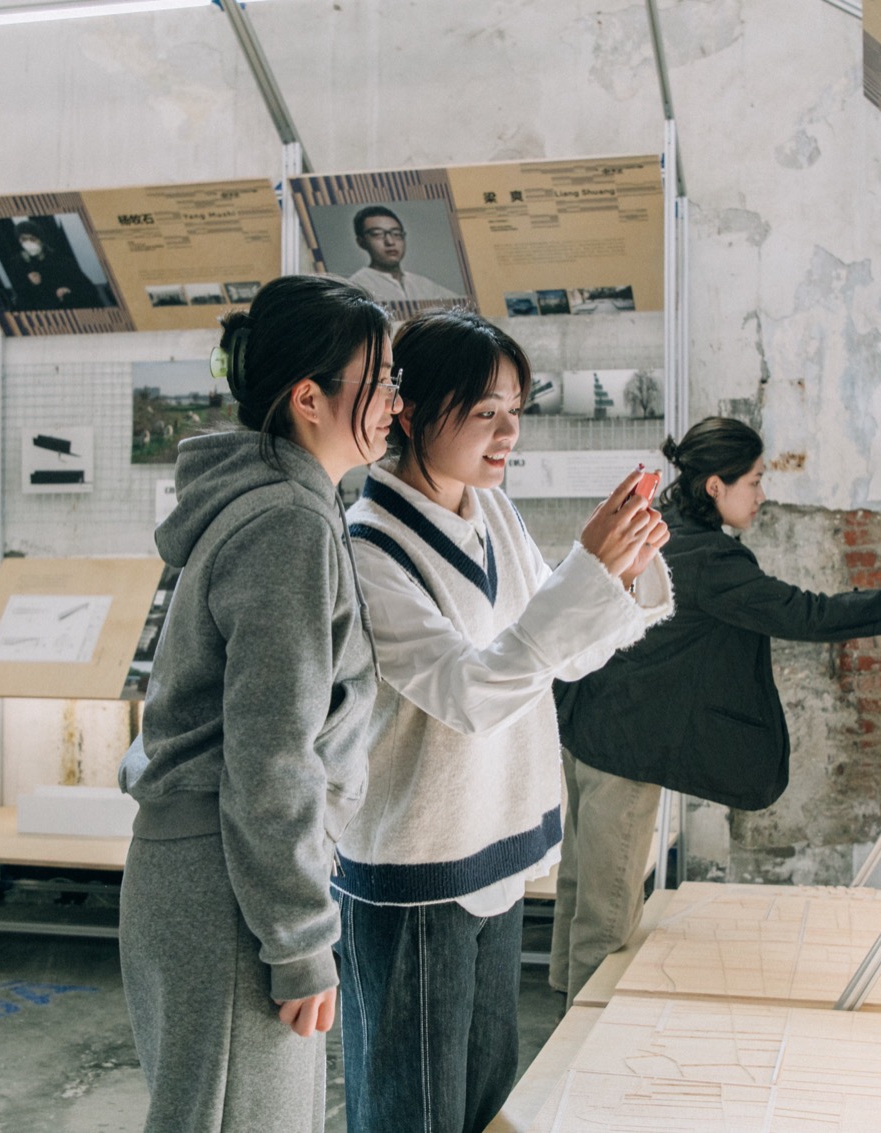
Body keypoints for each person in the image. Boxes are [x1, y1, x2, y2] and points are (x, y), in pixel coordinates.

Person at [334, 308, 673, 1133]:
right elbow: (472, 693)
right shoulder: (368, 547)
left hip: (498, 842)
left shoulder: (493, 515)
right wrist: (586, 575)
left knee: (486, 1095)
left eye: (516, 409)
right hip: (416, 865)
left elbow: (556, 655)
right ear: (408, 411)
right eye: (484, 410)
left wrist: (612, 573)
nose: (507, 432)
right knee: (412, 1107)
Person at [118, 275, 397, 1133]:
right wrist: (299, 939)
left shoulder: (277, 504)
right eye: (381, 379)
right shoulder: (288, 523)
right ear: (309, 397)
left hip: (211, 873)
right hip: (233, 888)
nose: (397, 400)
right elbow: (271, 754)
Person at [548, 416, 881, 1003]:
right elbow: (806, 615)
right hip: (625, 748)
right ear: (716, 485)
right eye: (754, 482)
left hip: (588, 730)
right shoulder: (709, 560)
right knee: (605, 919)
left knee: (580, 894)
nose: (762, 495)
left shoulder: (660, 528)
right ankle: (575, 1059)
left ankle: (561, 1028)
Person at [346, 205, 460, 302]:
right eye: (377, 234)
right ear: (361, 242)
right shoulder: (356, 287)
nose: (390, 242)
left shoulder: (423, 284)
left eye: (396, 233)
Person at [8, 219, 103, 310]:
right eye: (23, 239)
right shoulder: (18, 264)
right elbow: (22, 297)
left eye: (32, 239)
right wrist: (31, 284)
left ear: (40, 240)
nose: (28, 243)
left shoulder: (59, 259)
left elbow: (88, 288)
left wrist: (68, 291)